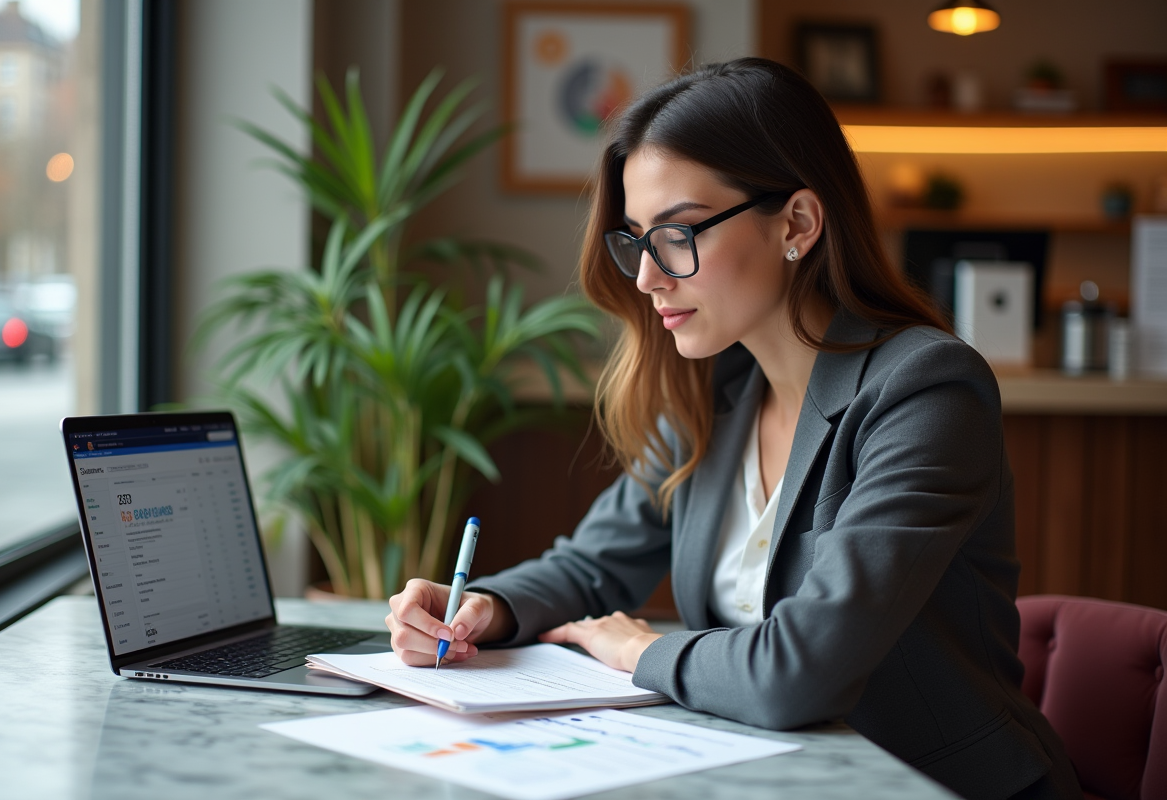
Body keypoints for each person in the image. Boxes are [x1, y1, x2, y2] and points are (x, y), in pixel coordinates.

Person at [384, 58, 1081, 800]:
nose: (648, 277)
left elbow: (799, 671)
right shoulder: (713, 394)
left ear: (797, 224)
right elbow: (591, 567)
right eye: (637, 240)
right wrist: (480, 611)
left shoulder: (926, 391)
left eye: (678, 233)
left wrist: (642, 651)